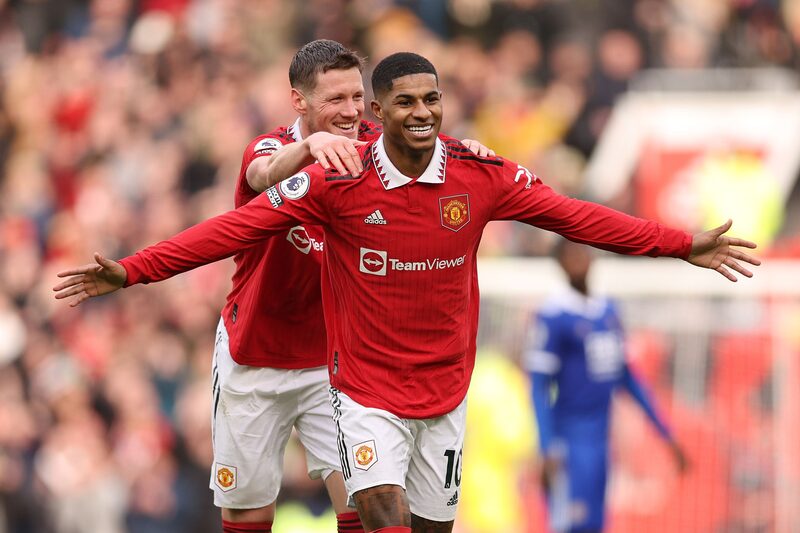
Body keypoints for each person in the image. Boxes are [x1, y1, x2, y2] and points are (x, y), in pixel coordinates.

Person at [54, 52, 759, 533]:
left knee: (416, 521)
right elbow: (236, 221)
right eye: (403, 102)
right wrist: (134, 269)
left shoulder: (477, 175)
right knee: (329, 508)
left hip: (424, 385)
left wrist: (680, 243)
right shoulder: (327, 174)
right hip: (328, 377)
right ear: (374, 112)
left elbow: (574, 215)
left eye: (431, 100)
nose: (419, 112)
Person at [523, 239, 688, 533]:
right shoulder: (553, 316)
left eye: (582, 252)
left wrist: (666, 434)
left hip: (601, 441)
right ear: (560, 264)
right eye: (570, 255)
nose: (579, 259)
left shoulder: (608, 311)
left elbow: (628, 379)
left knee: (596, 525)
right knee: (569, 525)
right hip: (568, 442)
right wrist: (546, 448)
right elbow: (539, 387)